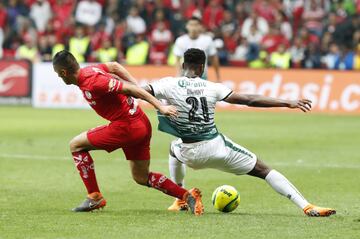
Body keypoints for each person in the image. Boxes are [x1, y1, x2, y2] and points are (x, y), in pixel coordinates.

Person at [144, 48, 336, 217]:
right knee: (263, 170)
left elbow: (138, 90)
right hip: (215, 149)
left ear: (183, 64)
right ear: (202, 67)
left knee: (173, 148)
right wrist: (286, 102)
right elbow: (249, 100)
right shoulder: (213, 87)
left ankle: (181, 199)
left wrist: (120, 85)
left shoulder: (168, 84)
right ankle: (307, 206)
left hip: (187, 151)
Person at [52, 50, 203, 215]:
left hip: (126, 127)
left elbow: (131, 89)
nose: (60, 78)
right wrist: (136, 86)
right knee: (141, 177)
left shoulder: (93, 81)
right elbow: (115, 66)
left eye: (59, 75)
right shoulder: (91, 70)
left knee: (76, 145)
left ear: (63, 72)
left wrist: (161, 106)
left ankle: (94, 196)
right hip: (141, 123)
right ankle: (187, 196)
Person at [173, 16, 220, 82]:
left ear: (200, 26)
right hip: (185, 77)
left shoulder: (207, 40)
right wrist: (178, 74)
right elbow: (177, 60)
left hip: (202, 77)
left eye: (196, 25)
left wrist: (218, 76)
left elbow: (214, 59)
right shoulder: (180, 40)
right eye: (191, 25)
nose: (193, 27)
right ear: (187, 26)